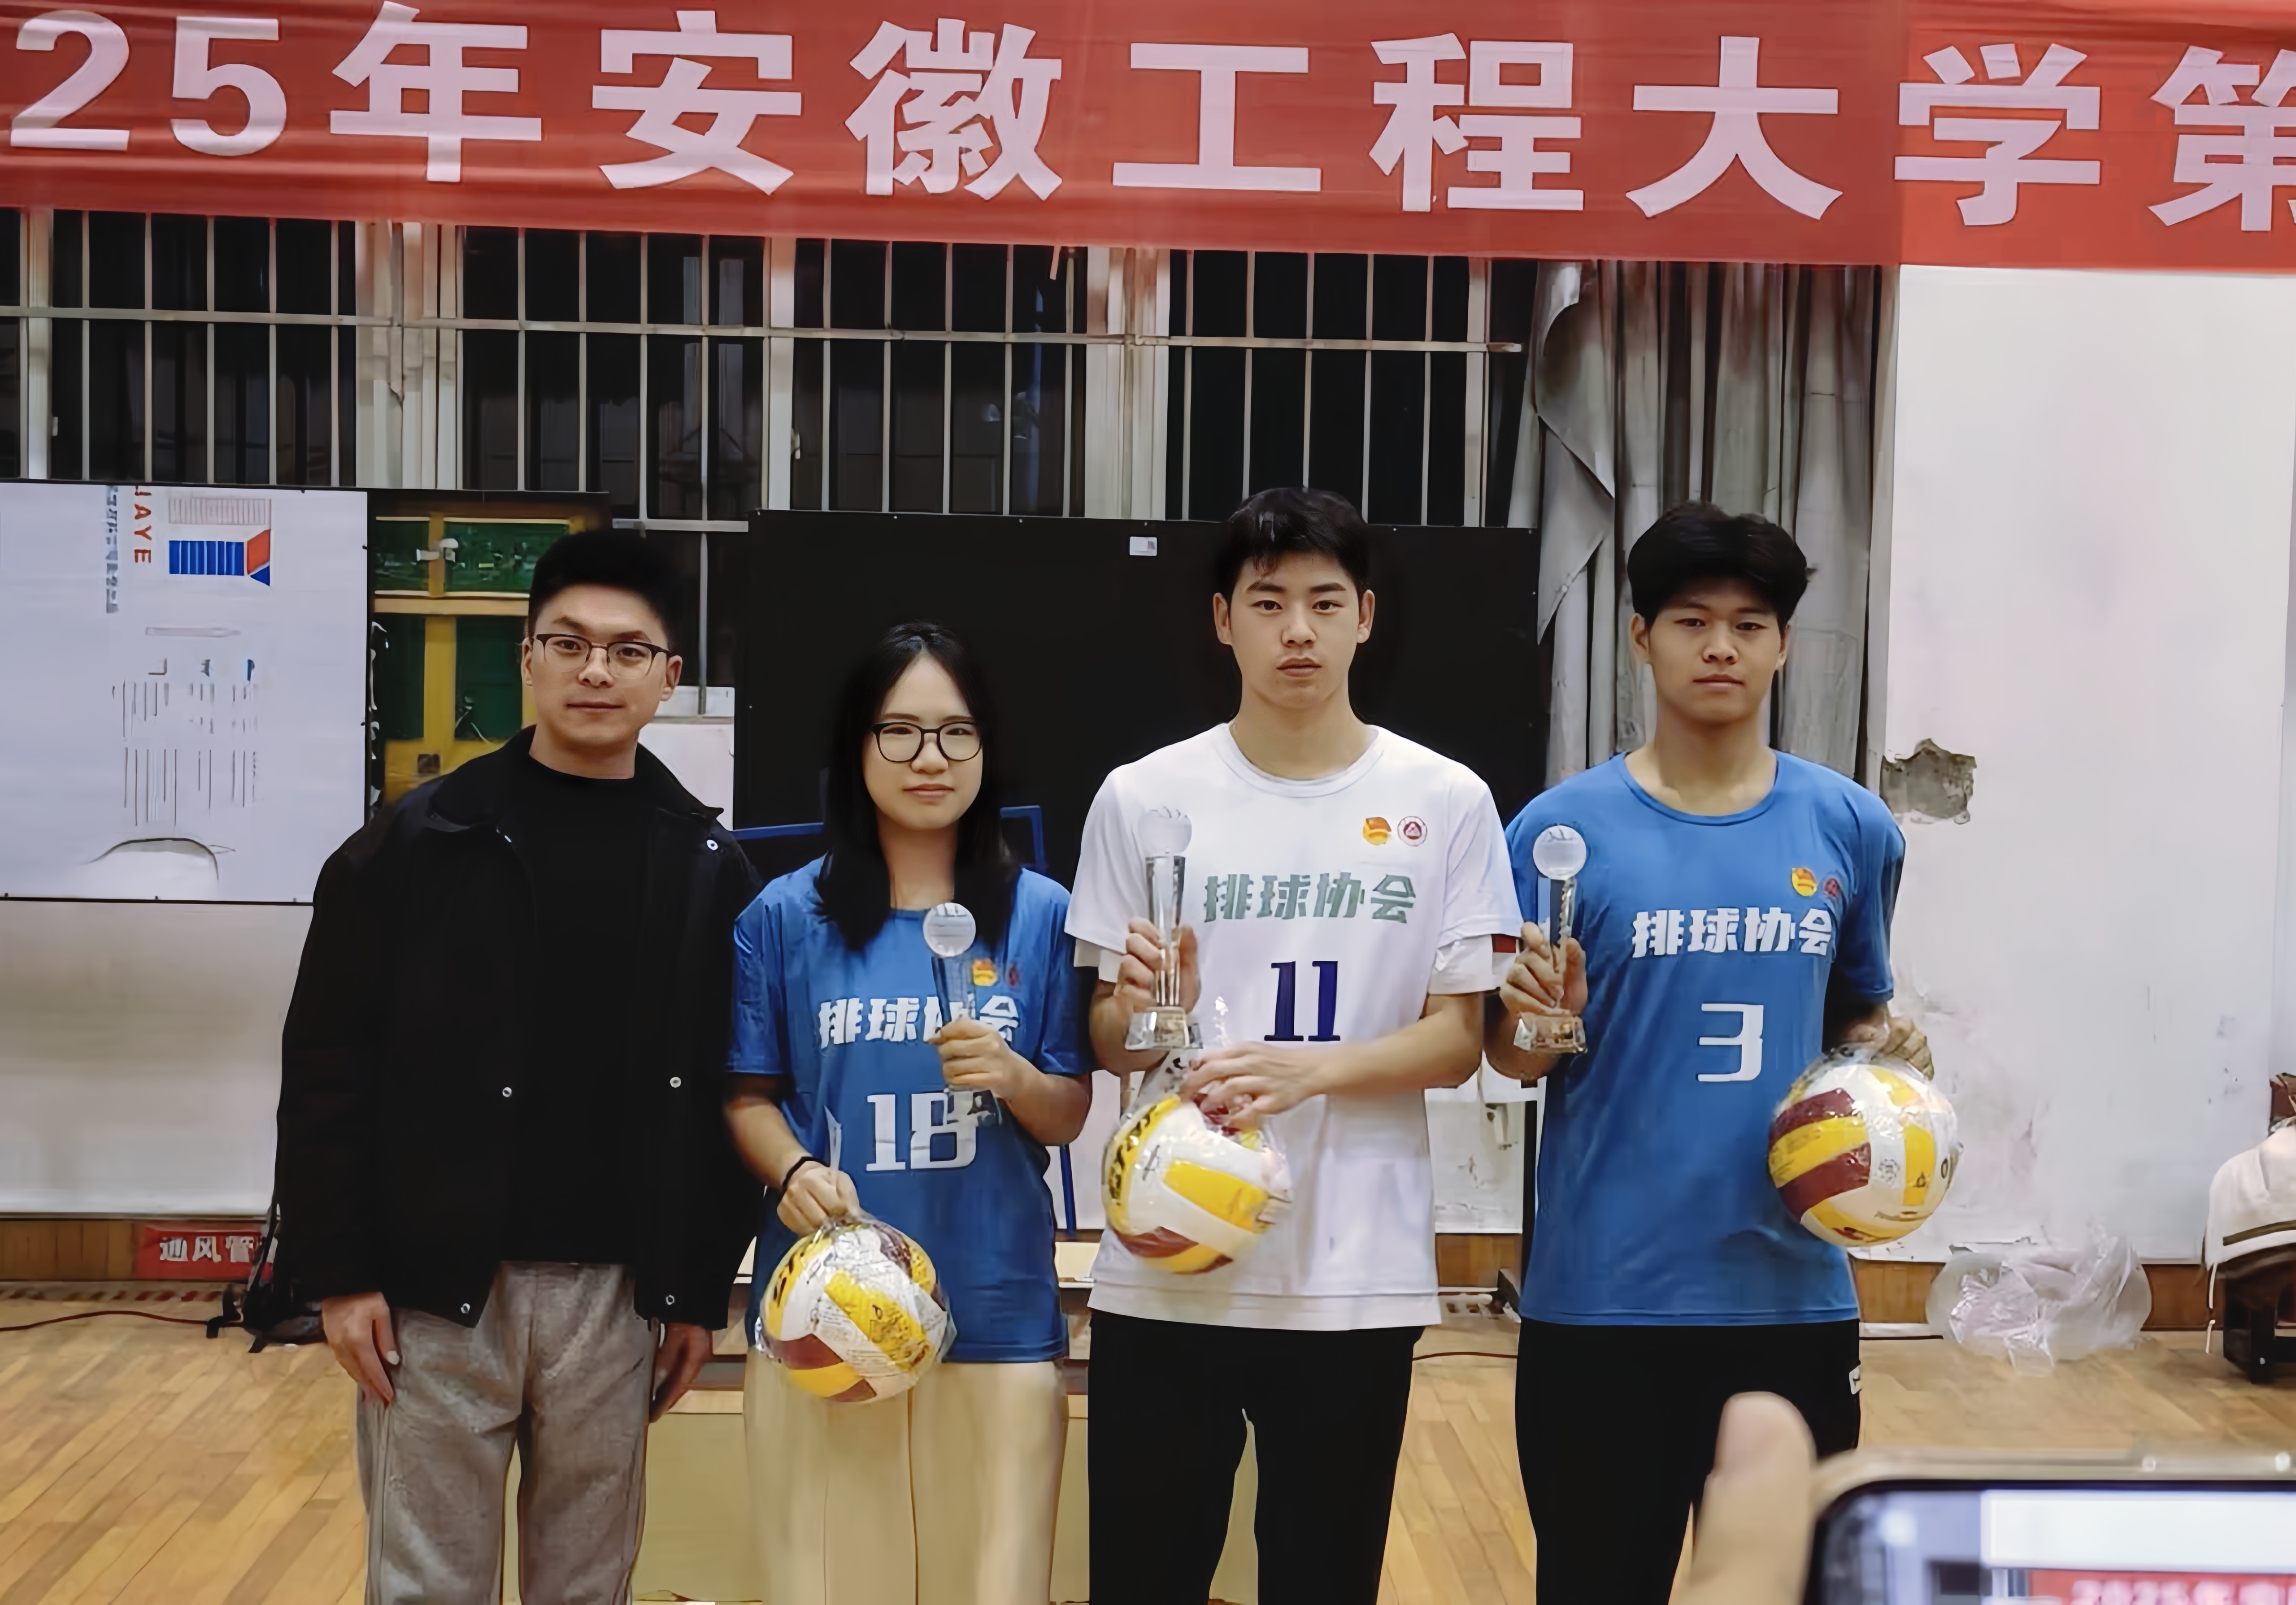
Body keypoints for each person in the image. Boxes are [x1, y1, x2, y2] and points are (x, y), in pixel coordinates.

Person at [275, 531, 760, 1604]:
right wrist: (341, 1272)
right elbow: (327, 1063)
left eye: (628, 650)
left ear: (669, 677)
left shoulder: (708, 869)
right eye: (569, 643)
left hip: (617, 1293)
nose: (596, 671)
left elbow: (723, 1094)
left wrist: (692, 1288)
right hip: (433, 1285)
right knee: (426, 1584)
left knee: (587, 1583)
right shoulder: (415, 842)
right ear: (528, 656)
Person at [1066, 487, 1522, 1605]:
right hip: (1167, 1256)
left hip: (1352, 1271)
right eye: (1268, 603)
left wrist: (1306, 1070)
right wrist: (1149, 1006)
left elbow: (1457, 1036)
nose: (1298, 631)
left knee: (1324, 1577)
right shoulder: (1142, 796)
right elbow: (1109, 1037)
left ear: (1366, 615)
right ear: (1224, 620)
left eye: (1325, 601)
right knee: (1142, 1577)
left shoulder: (1444, 798)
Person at [1486, 503, 1928, 1605]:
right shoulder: (1558, 831)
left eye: (1748, 623)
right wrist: (1539, 1017)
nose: (1720, 646)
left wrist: (1888, 1051)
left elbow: (1854, 1017)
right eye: (1691, 621)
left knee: (1786, 1584)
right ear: (1641, 637)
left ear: (1784, 644)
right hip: (1603, 1296)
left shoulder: (1850, 825)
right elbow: (1514, 1057)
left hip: (1790, 1295)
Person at [725, 622, 1089, 1605]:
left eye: (956, 733)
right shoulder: (783, 917)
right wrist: (795, 1170)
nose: (931, 758)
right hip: (827, 1314)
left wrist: (1013, 1076)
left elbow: (1066, 1111)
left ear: (988, 749)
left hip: (997, 1307)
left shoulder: (1046, 914)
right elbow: (748, 1095)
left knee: (996, 1585)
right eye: (900, 731)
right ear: (857, 747)